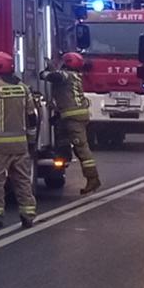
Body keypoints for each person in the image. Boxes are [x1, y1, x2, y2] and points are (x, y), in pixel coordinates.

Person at [0, 52, 39, 228]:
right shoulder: (23, 88)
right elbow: (31, 116)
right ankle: (28, 214)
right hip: (20, 145)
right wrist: (31, 139)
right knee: (22, 180)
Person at [41, 51, 102, 195]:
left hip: (73, 118)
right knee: (62, 138)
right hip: (69, 116)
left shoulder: (67, 75)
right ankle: (62, 159)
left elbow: (53, 76)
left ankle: (93, 178)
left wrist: (44, 72)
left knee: (81, 147)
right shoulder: (75, 76)